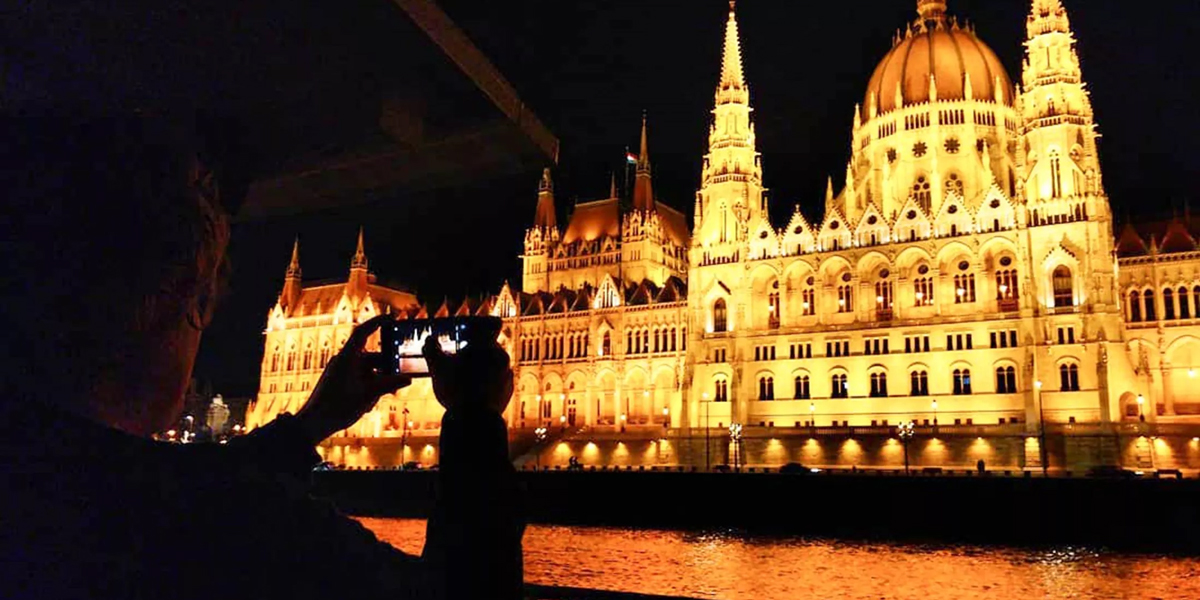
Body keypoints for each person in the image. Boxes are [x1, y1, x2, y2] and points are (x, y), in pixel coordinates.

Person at [0, 115, 523, 600]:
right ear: (189, 303)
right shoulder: (256, 529)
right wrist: (475, 422)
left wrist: (312, 422)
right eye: (207, 300)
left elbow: (185, 481)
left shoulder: (32, 474)